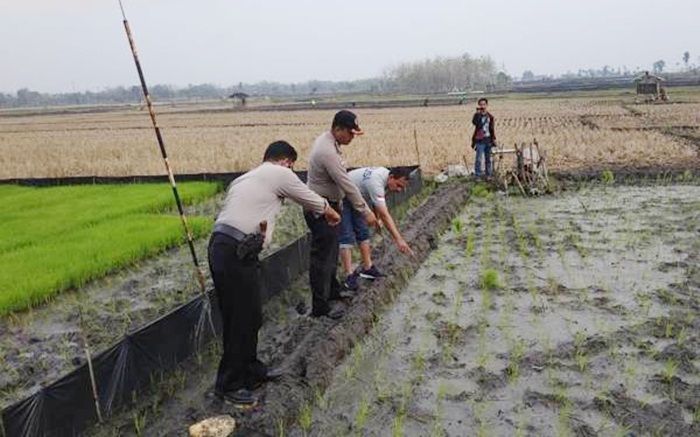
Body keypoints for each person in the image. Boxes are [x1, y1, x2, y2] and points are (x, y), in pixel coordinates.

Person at [208, 141, 340, 407]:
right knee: (240, 319)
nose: (291, 170)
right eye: (291, 165)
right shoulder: (279, 173)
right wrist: (330, 212)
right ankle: (229, 384)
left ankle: (252, 369)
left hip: (229, 248)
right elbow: (309, 198)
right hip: (234, 250)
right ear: (285, 161)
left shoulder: (246, 178)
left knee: (251, 315)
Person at [306, 110, 378, 319]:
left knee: (331, 253)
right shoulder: (327, 151)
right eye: (350, 133)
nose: (353, 137)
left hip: (331, 206)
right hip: (321, 209)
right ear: (338, 129)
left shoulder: (331, 143)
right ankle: (320, 308)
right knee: (322, 258)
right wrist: (365, 211)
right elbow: (347, 184)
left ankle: (333, 292)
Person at [340, 166, 414, 290]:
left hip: (358, 197)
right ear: (391, 177)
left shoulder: (385, 177)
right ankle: (348, 276)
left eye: (403, 187)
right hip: (342, 194)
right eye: (399, 185)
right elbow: (385, 214)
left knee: (363, 232)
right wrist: (399, 239)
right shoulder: (377, 182)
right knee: (346, 235)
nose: (400, 190)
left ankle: (368, 268)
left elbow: (376, 203)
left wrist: (376, 218)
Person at [471, 97, 497, 178]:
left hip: (488, 139)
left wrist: (494, 139)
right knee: (478, 159)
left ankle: (488, 175)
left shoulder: (490, 117)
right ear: (479, 105)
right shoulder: (477, 115)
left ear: (487, 105)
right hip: (479, 140)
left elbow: (492, 129)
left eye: (484, 104)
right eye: (481, 104)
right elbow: (475, 123)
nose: (482, 106)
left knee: (488, 159)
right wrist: (479, 114)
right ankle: (478, 175)